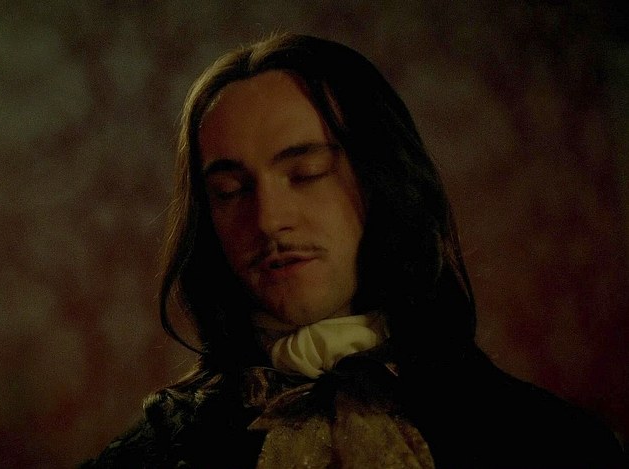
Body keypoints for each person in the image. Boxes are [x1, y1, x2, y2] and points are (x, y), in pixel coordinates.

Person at [80, 33, 627, 468]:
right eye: (230, 192)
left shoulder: (547, 444)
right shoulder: (155, 456)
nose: (267, 219)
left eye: (306, 173)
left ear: (381, 180)